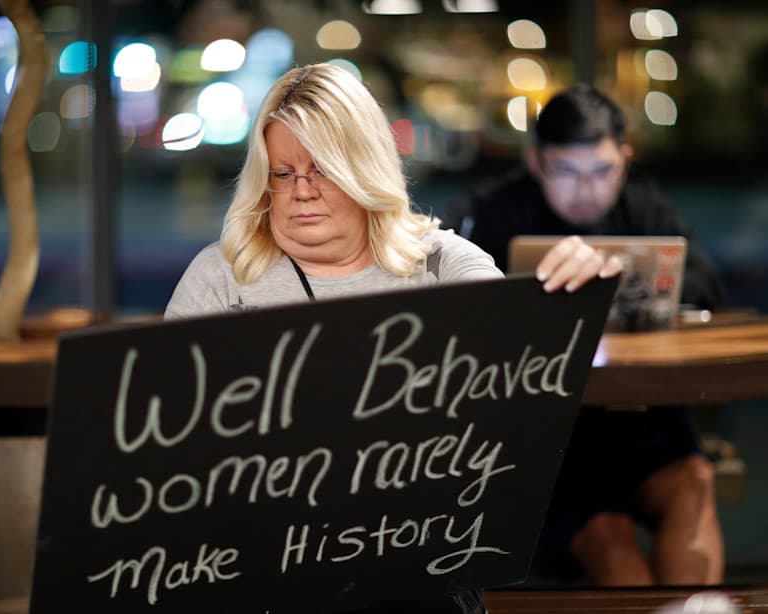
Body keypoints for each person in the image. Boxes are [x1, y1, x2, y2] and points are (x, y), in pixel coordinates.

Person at [165, 64, 621, 613]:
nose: (301, 192)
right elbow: (174, 458)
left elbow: (521, 393)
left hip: (416, 561)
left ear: (363, 166)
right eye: (282, 174)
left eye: (322, 170)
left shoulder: (442, 265)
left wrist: (570, 295)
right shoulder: (219, 278)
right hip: (264, 565)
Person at [443, 84, 725, 586]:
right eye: (567, 172)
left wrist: (630, 278)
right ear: (536, 164)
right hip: (547, 433)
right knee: (606, 532)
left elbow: (705, 284)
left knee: (696, 479)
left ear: (625, 159)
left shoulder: (643, 206)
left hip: (640, 420)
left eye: (602, 172)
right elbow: (447, 304)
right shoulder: (491, 212)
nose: (586, 190)